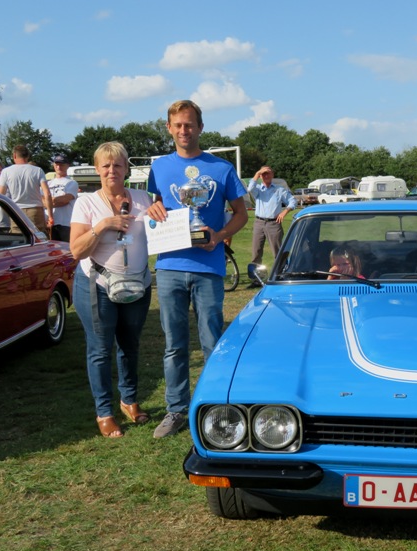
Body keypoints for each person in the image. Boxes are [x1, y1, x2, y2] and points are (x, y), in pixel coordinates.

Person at [146, 99, 248, 438]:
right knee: (175, 344)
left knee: (212, 340)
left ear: (200, 127)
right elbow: (153, 206)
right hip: (170, 266)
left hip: (208, 267)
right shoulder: (158, 167)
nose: (183, 130)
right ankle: (176, 411)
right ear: (169, 128)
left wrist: (219, 236)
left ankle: (219, 407)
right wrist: (155, 209)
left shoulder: (220, 169)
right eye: (177, 125)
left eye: (189, 124)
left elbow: (241, 214)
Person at [70, 142, 153, 438]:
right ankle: (104, 412)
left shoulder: (144, 198)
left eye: (117, 165)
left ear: (126, 169)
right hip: (98, 286)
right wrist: (104, 225)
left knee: (130, 346)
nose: (111, 171)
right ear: (97, 170)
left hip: (138, 284)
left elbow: (161, 231)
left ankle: (128, 400)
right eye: (105, 166)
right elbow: (76, 251)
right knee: (100, 351)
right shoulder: (86, 203)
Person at [0, 145, 53, 235]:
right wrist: (50, 216)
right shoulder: (38, 170)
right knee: (38, 237)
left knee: (18, 238)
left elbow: (0, 194)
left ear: (14, 155)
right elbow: (47, 194)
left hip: (16, 210)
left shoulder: (6, 171)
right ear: (27, 156)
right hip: (35, 210)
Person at [248, 165, 296, 272]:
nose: (266, 175)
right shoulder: (258, 189)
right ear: (260, 176)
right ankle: (256, 278)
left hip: (274, 223)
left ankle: (281, 274)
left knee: (278, 251)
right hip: (259, 222)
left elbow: (293, 201)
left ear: (272, 175)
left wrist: (285, 211)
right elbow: (249, 188)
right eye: (263, 174)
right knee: (256, 252)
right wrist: (257, 173)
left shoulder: (279, 190)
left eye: (268, 173)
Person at [47, 153, 78, 242]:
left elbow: (64, 200)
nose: (59, 167)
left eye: (62, 165)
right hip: (50, 224)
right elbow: (40, 200)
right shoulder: (47, 183)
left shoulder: (72, 183)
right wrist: (52, 201)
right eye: (57, 164)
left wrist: (48, 202)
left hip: (65, 224)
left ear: (67, 166)